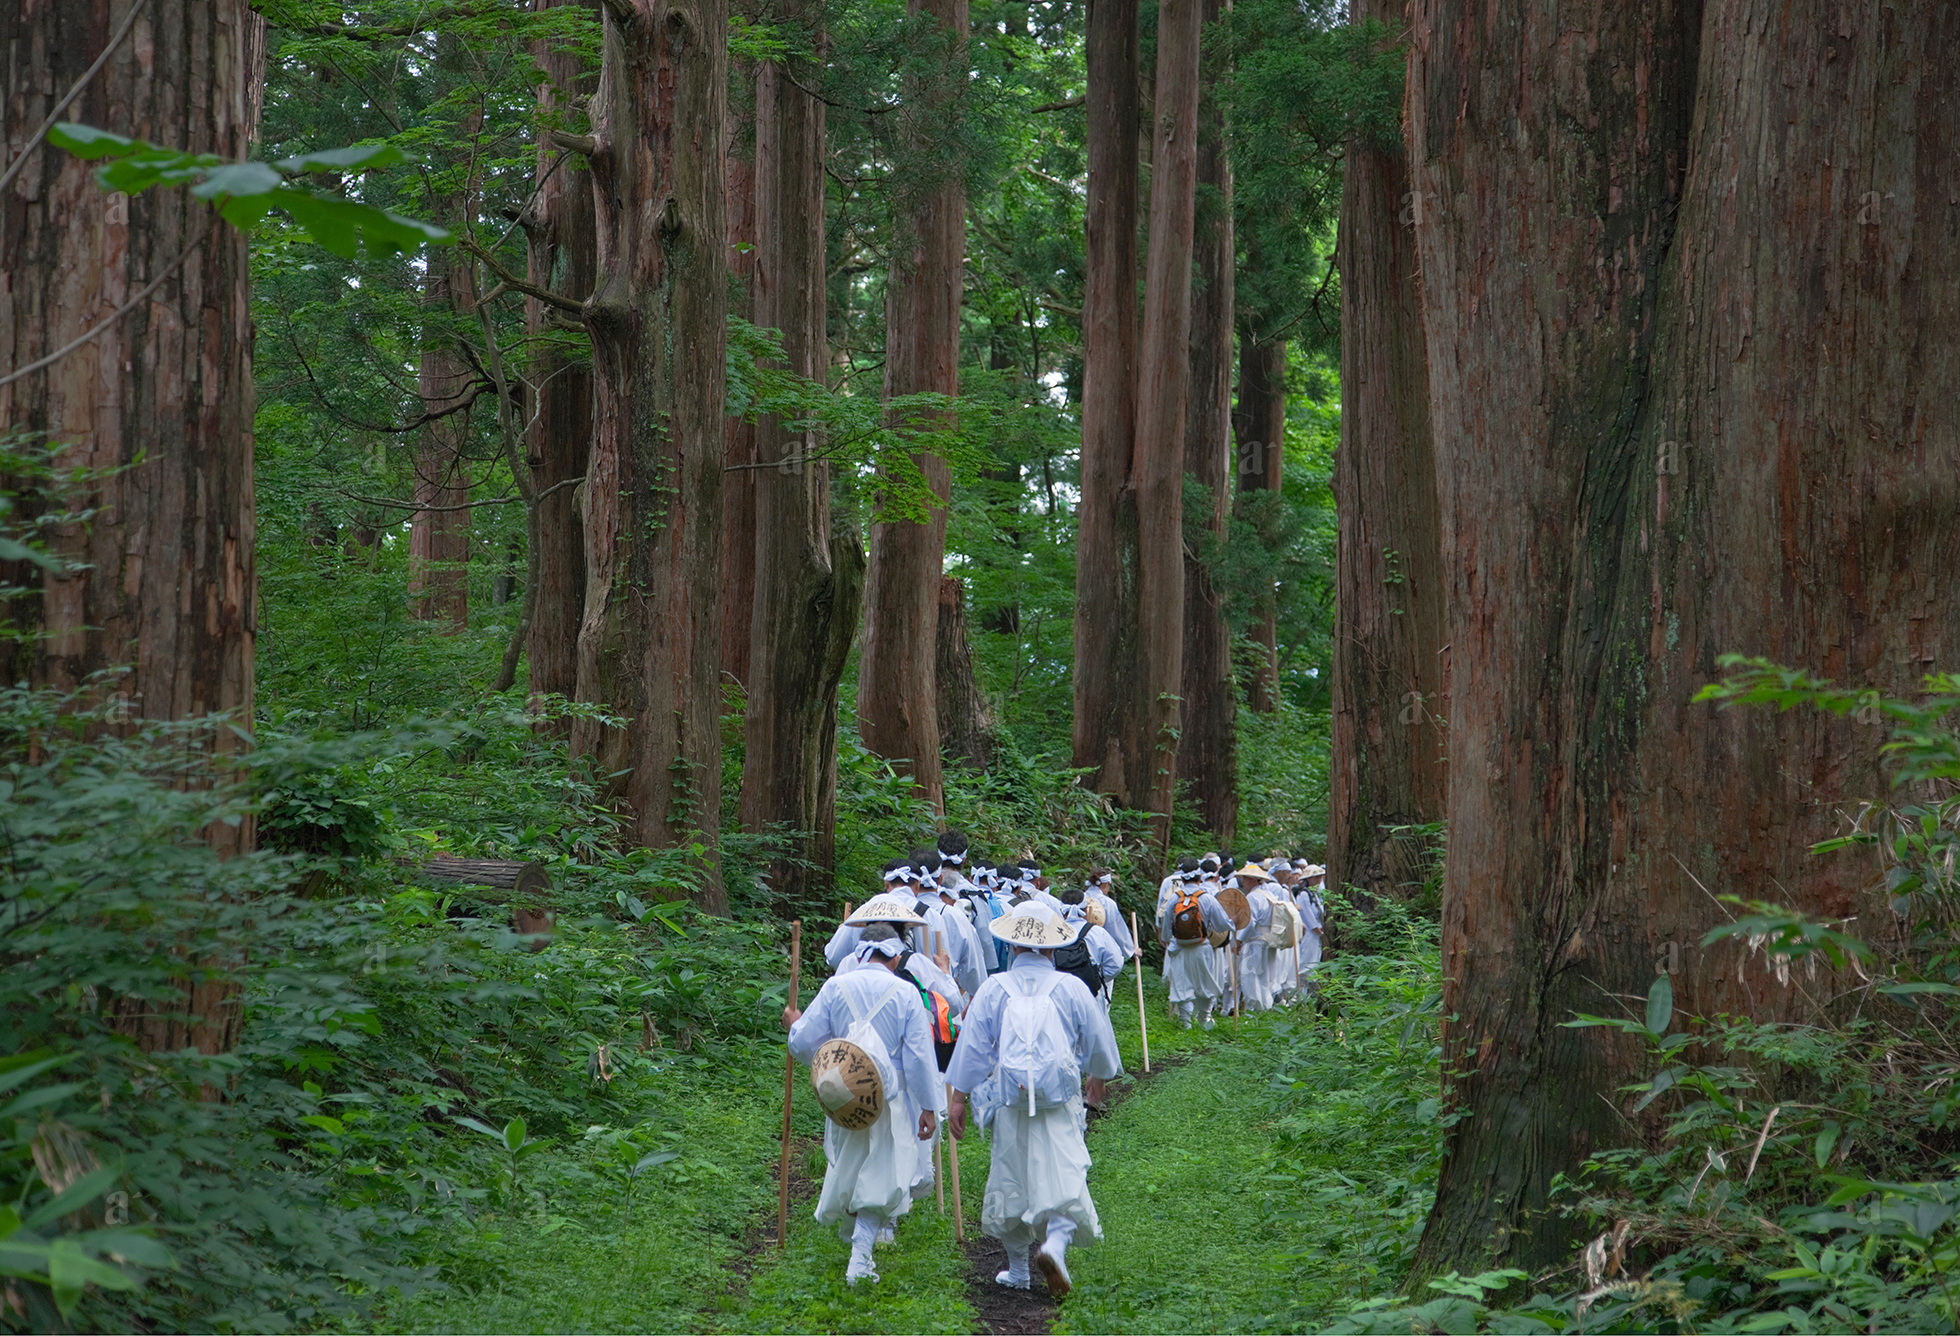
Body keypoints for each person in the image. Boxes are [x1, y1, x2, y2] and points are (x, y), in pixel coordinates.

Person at [946, 901, 1123, 1298]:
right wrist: (1097, 1079)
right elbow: (1100, 1047)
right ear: (1052, 948)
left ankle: (1019, 1269)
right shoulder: (1072, 988)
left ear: (1011, 945)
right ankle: (1055, 1248)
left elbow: (972, 1050)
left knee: (1011, 1176)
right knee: (1065, 1174)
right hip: (1058, 1102)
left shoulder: (993, 989)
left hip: (1009, 1100)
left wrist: (958, 1098)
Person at [784, 925, 946, 1286]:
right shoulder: (906, 993)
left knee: (852, 1165)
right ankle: (860, 1256)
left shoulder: (834, 987)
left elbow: (805, 1043)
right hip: (892, 1097)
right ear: (897, 956)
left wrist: (794, 1026)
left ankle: (860, 1246)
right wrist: (929, 1107)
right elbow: (920, 1057)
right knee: (885, 1170)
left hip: (844, 1093)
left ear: (860, 953)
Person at [1157, 860, 1231, 1029]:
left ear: (1182, 879)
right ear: (1199, 877)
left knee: (1182, 984)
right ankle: (1204, 1019)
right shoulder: (1206, 898)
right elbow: (1221, 925)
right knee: (1205, 983)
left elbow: (1167, 926)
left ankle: (1185, 1022)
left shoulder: (1175, 897)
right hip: (1202, 946)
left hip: (1180, 947)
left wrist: (1169, 940)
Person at [1083, 869, 1135, 963]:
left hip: (1080, 947)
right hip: (1101, 947)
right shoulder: (1107, 903)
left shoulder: (1081, 898)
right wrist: (1130, 950)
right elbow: (1116, 929)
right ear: (1106, 884)